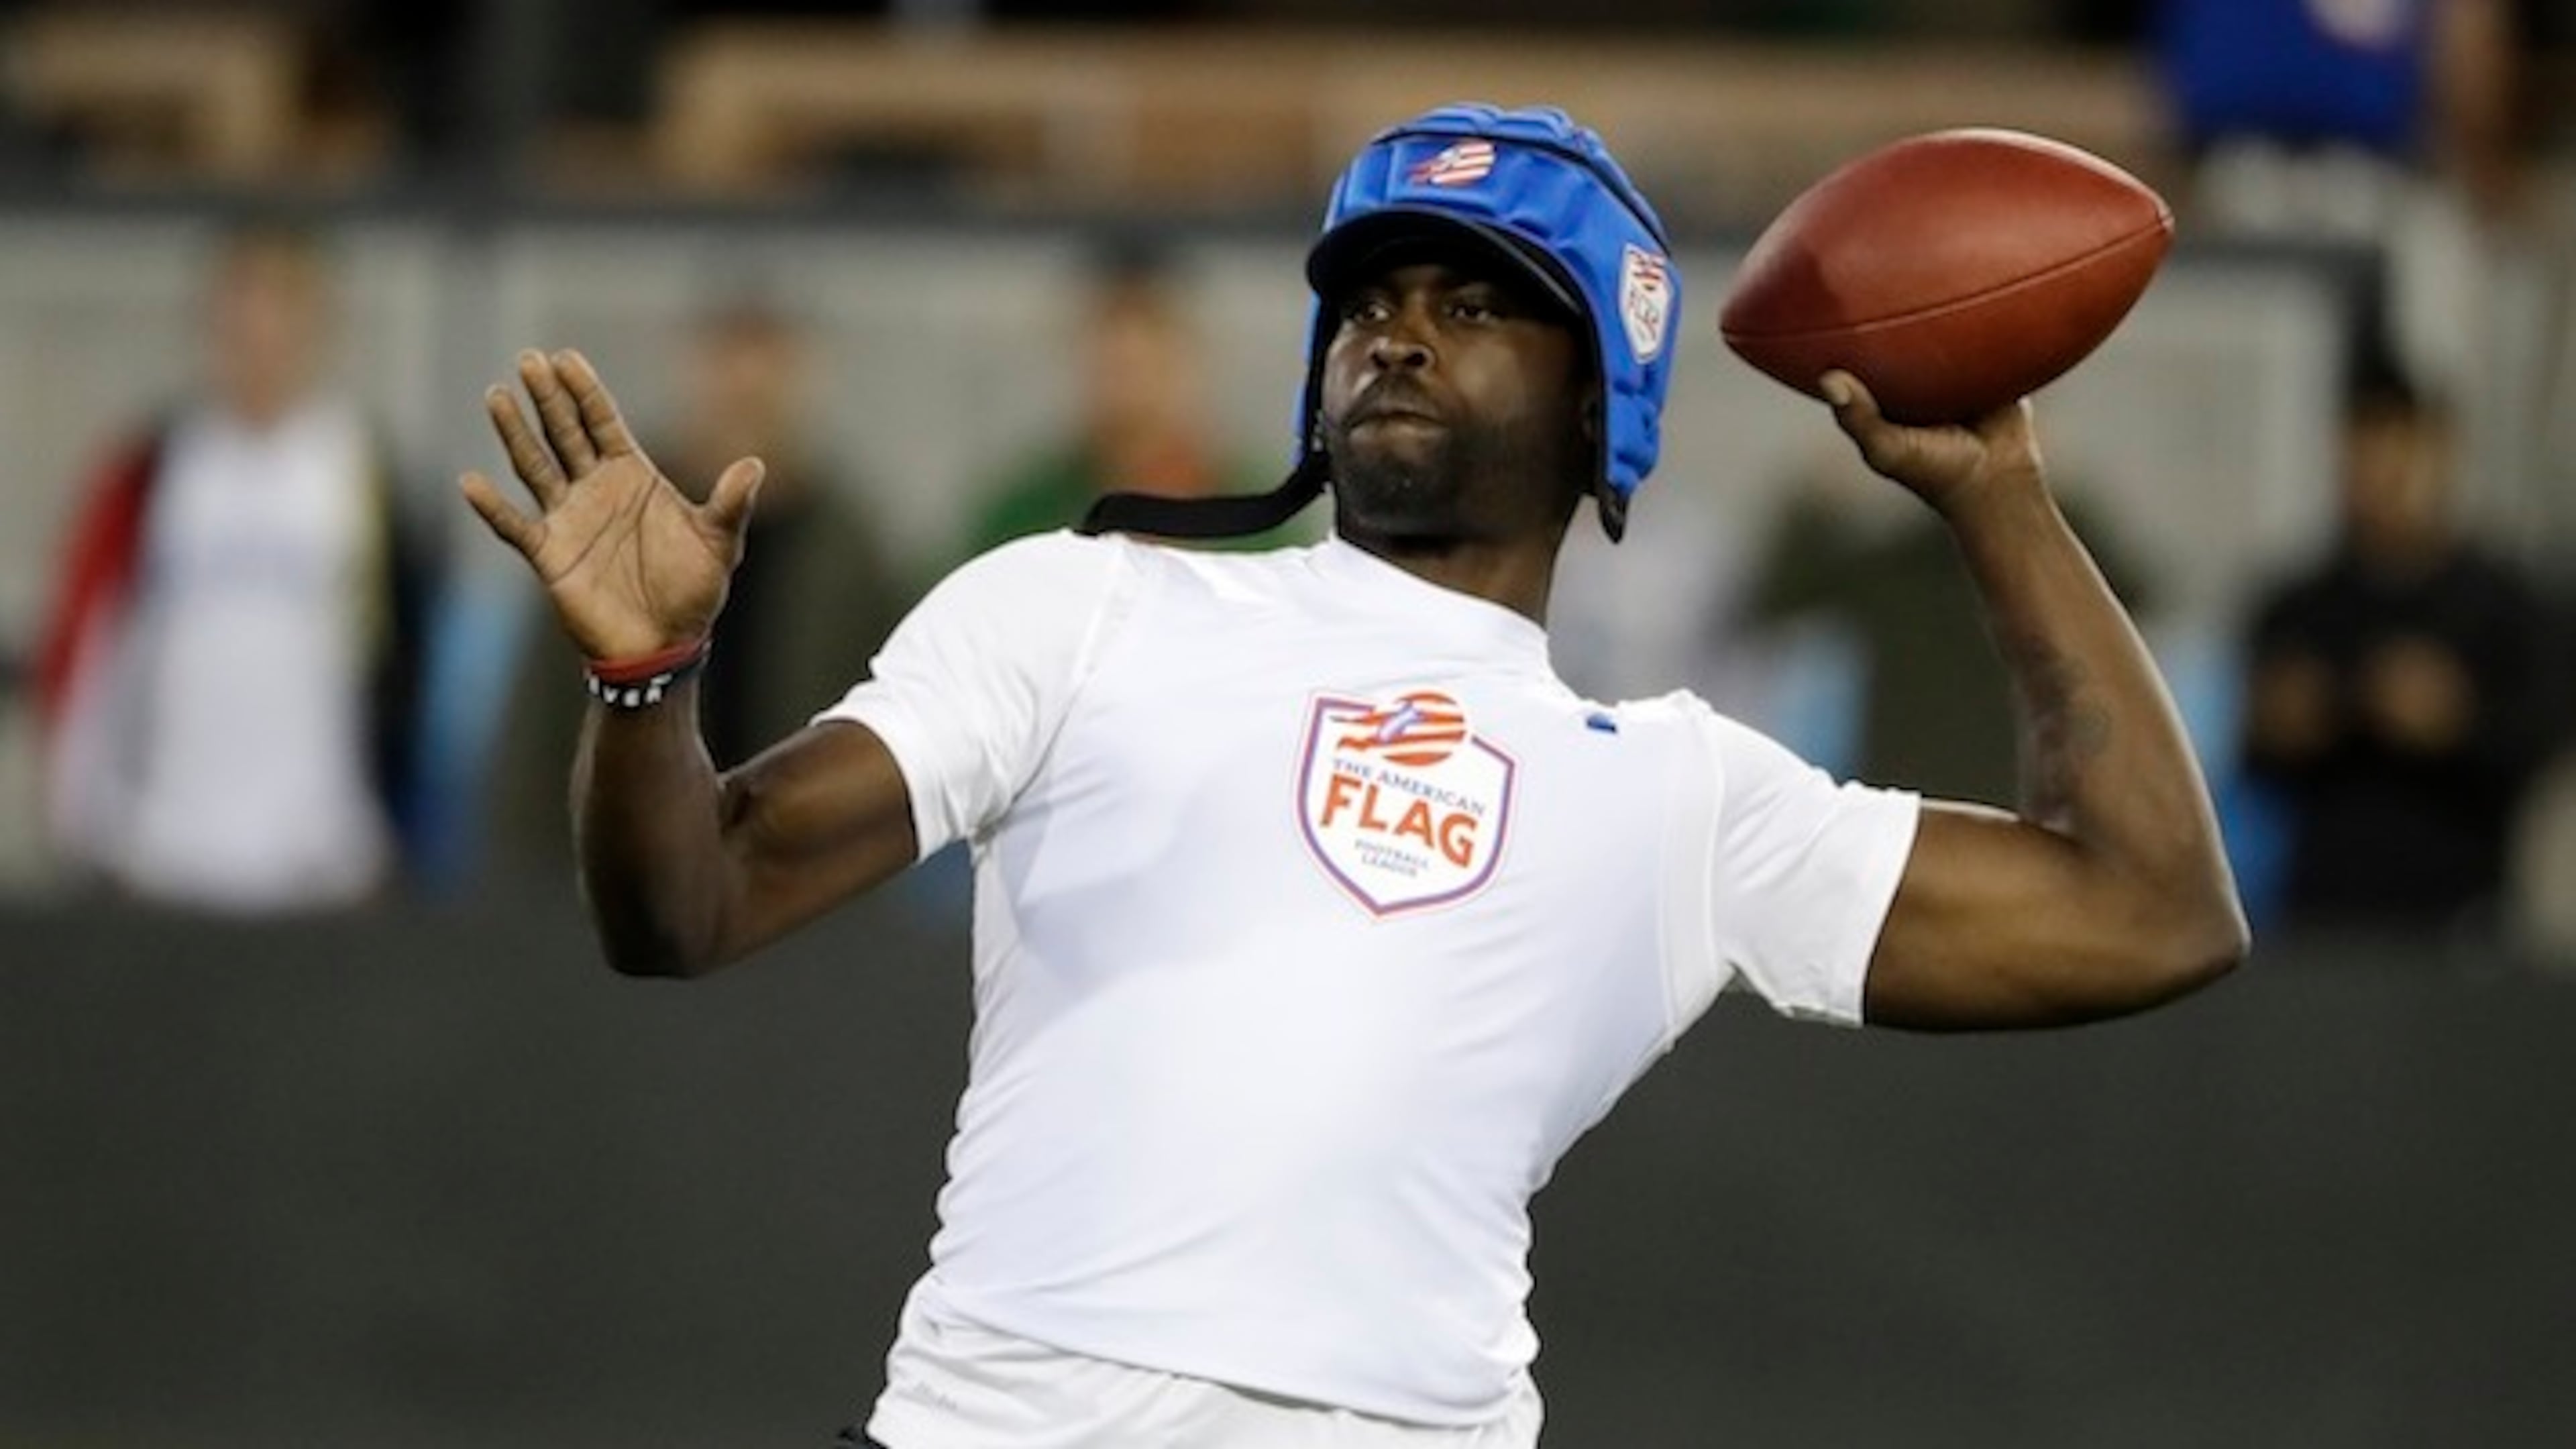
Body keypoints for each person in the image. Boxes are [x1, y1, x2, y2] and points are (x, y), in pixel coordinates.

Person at [461, 105, 2245, 1448]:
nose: (1396, 329)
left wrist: (1995, 497)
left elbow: (2152, 907)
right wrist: (647, 682)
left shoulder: (1677, 794)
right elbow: (688, 902)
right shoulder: (1087, 606)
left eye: (1475, 301)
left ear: (1607, 399)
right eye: (1370, 298)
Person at [34, 219, 429, 912]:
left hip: (320, 864)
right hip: (161, 857)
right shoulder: (154, 472)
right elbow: (91, 648)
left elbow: (405, 661)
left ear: (318, 327)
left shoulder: (361, 477)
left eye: (282, 317)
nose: (260, 345)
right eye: (241, 321)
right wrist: (89, 828)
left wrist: (391, 832)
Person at [484, 297, 905, 875]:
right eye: (726, 361)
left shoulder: (849, 547)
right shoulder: (615, 529)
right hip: (617, 886)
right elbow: (536, 738)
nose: (747, 386)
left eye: (769, 363)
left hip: (792, 892)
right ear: (690, 369)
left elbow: (883, 751)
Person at [2239, 370, 2551, 945]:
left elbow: (2535, 745)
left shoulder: (2504, 607)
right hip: (2324, 921)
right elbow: (2251, 759)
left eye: (2399, 457)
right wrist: (2284, 727)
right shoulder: (2297, 609)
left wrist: (2454, 725)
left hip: (2462, 920)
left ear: (2439, 457)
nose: (2380, 480)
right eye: (2364, 456)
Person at [951, 239, 1291, 560]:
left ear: (1191, 353)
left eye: (1150, 354)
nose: (1130, 380)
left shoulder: (1258, 511)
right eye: (1112, 358)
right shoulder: (1022, 516)